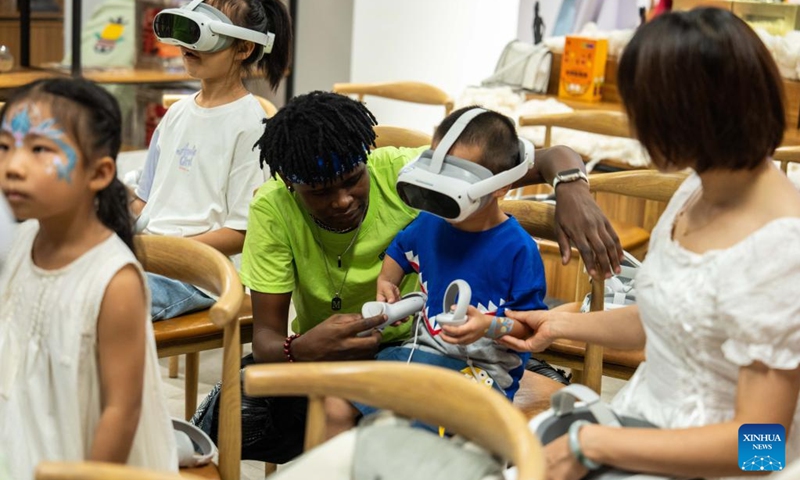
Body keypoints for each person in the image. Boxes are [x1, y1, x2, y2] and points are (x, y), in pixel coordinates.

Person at [193, 90, 623, 463]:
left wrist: (571, 186)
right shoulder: (273, 210)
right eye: (319, 193)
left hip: (438, 348)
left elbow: (534, 160)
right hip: (341, 357)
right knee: (251, 410)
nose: (342, 201)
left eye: (351, 181)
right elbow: (267, 340)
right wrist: (306, 345)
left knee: (432, 423)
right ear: (290, 185)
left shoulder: (409, 178)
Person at [501, 8, 800, 480]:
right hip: (639, 427)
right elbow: (674, 318)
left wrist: (594, 442)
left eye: (644, 112)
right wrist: (559, 325)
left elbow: (760, 449)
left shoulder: (781, 251)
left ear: (695, 115)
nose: (635, 129)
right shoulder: (697, 189)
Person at [323, 106, 552, 435]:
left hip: (483, 372)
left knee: (419, 422)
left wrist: (488, 325)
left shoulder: (519, 250)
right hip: (420, 352)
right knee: (336, 400)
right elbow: (401, 249)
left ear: (502, 185)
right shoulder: (430, 222)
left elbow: (529, 331)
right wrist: (387, 281)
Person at [0, 78, 177, 478]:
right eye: (5, 147)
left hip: (84, 461)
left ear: (98, 174)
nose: (13, 166)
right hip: (25, 443)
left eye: (40, 149)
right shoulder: (23, 238)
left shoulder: (114, 281)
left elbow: (121, 409)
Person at [130, 0, 292, 320]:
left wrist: (170, 253)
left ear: (244, 48)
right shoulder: (176, 113)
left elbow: (242, 233)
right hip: (151, 258)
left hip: (201, 275)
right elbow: (143, 200)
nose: (187, 46)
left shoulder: (251, 125)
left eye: (202, 34)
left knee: (106, 303)